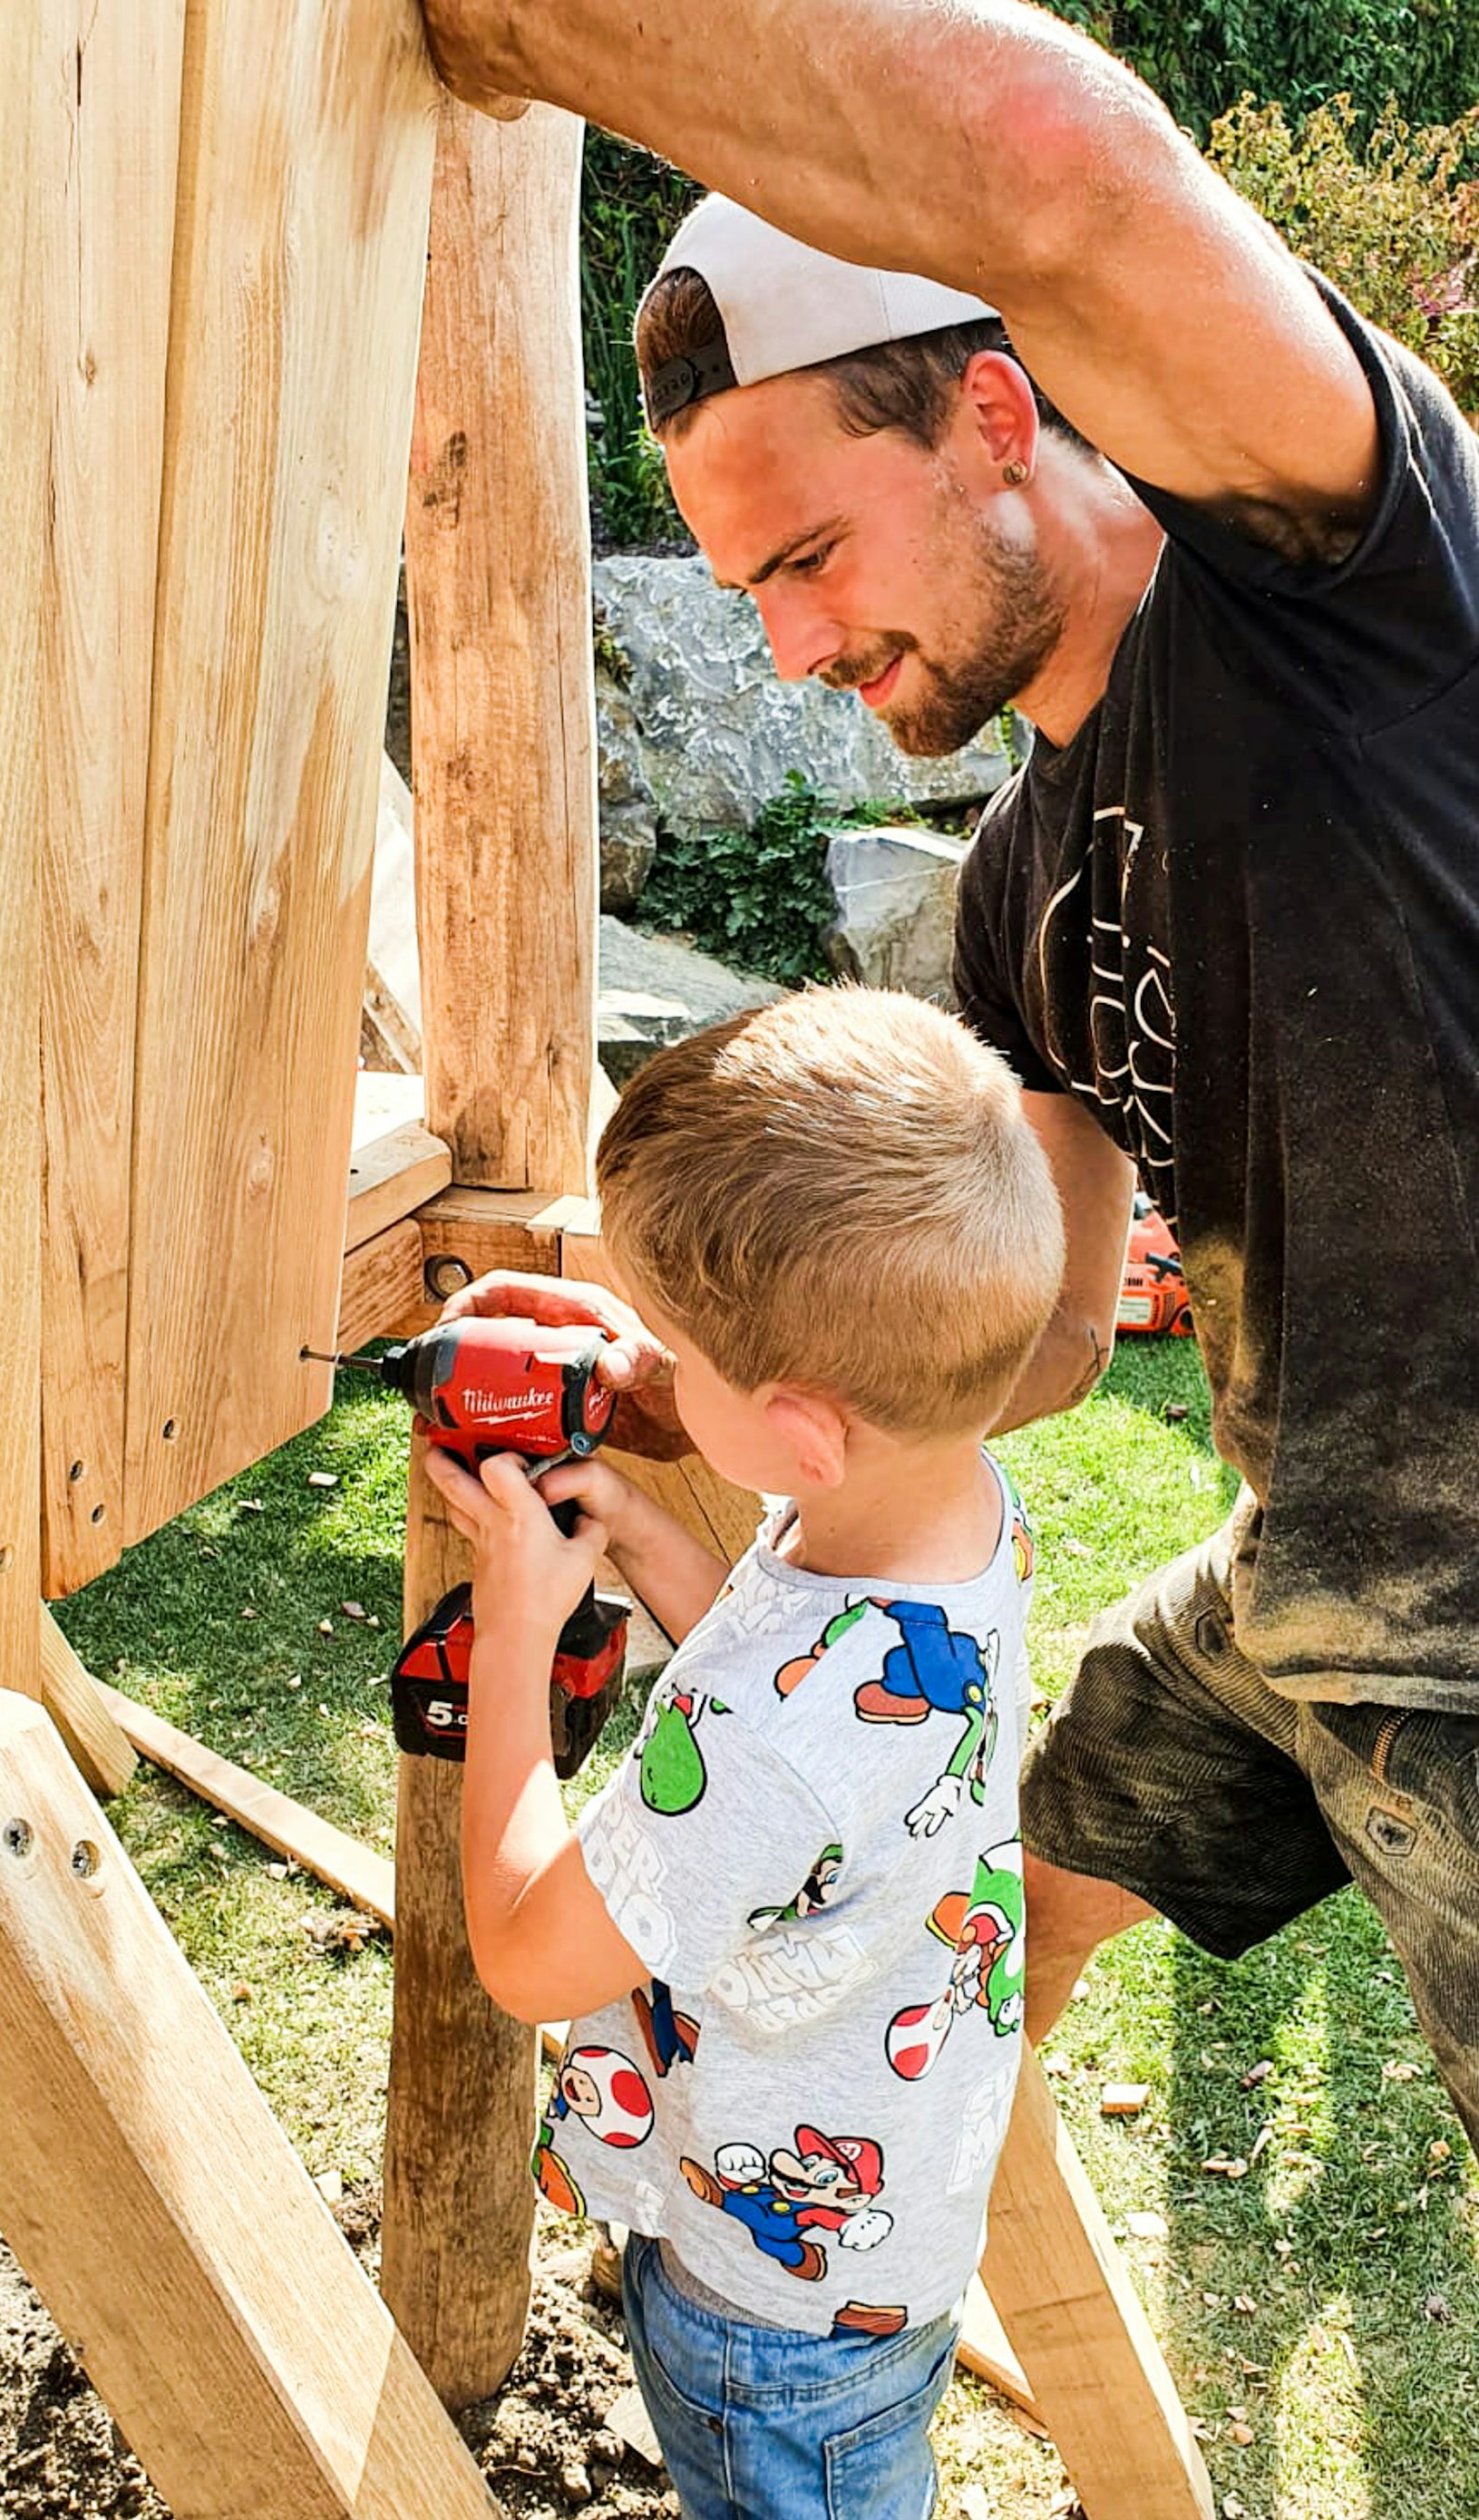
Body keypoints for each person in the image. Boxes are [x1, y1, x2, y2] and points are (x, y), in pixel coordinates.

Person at [422, 0, 1479, 2152]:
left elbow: (1043, 151)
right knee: (1030, 1869)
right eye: (746, 590)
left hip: (1465, 1655)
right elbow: (1051, 1336)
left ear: (996, 413)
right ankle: (926, 2237)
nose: (789, 647)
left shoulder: (1335, 581)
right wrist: (688, 1379)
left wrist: (511, 29)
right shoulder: (1020, 894)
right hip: (1315, 1588)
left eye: (805, 559)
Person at [425, 984, 1065, 2520]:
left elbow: (529, 1953)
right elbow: (813, 1728)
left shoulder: (780, 1743)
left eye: (671, 1360)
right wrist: (643, 1544)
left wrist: (509, 1640)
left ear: (797, 1431)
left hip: (765, 2308)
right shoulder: (947, 1525)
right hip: (891, 2224)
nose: (645, 1380)